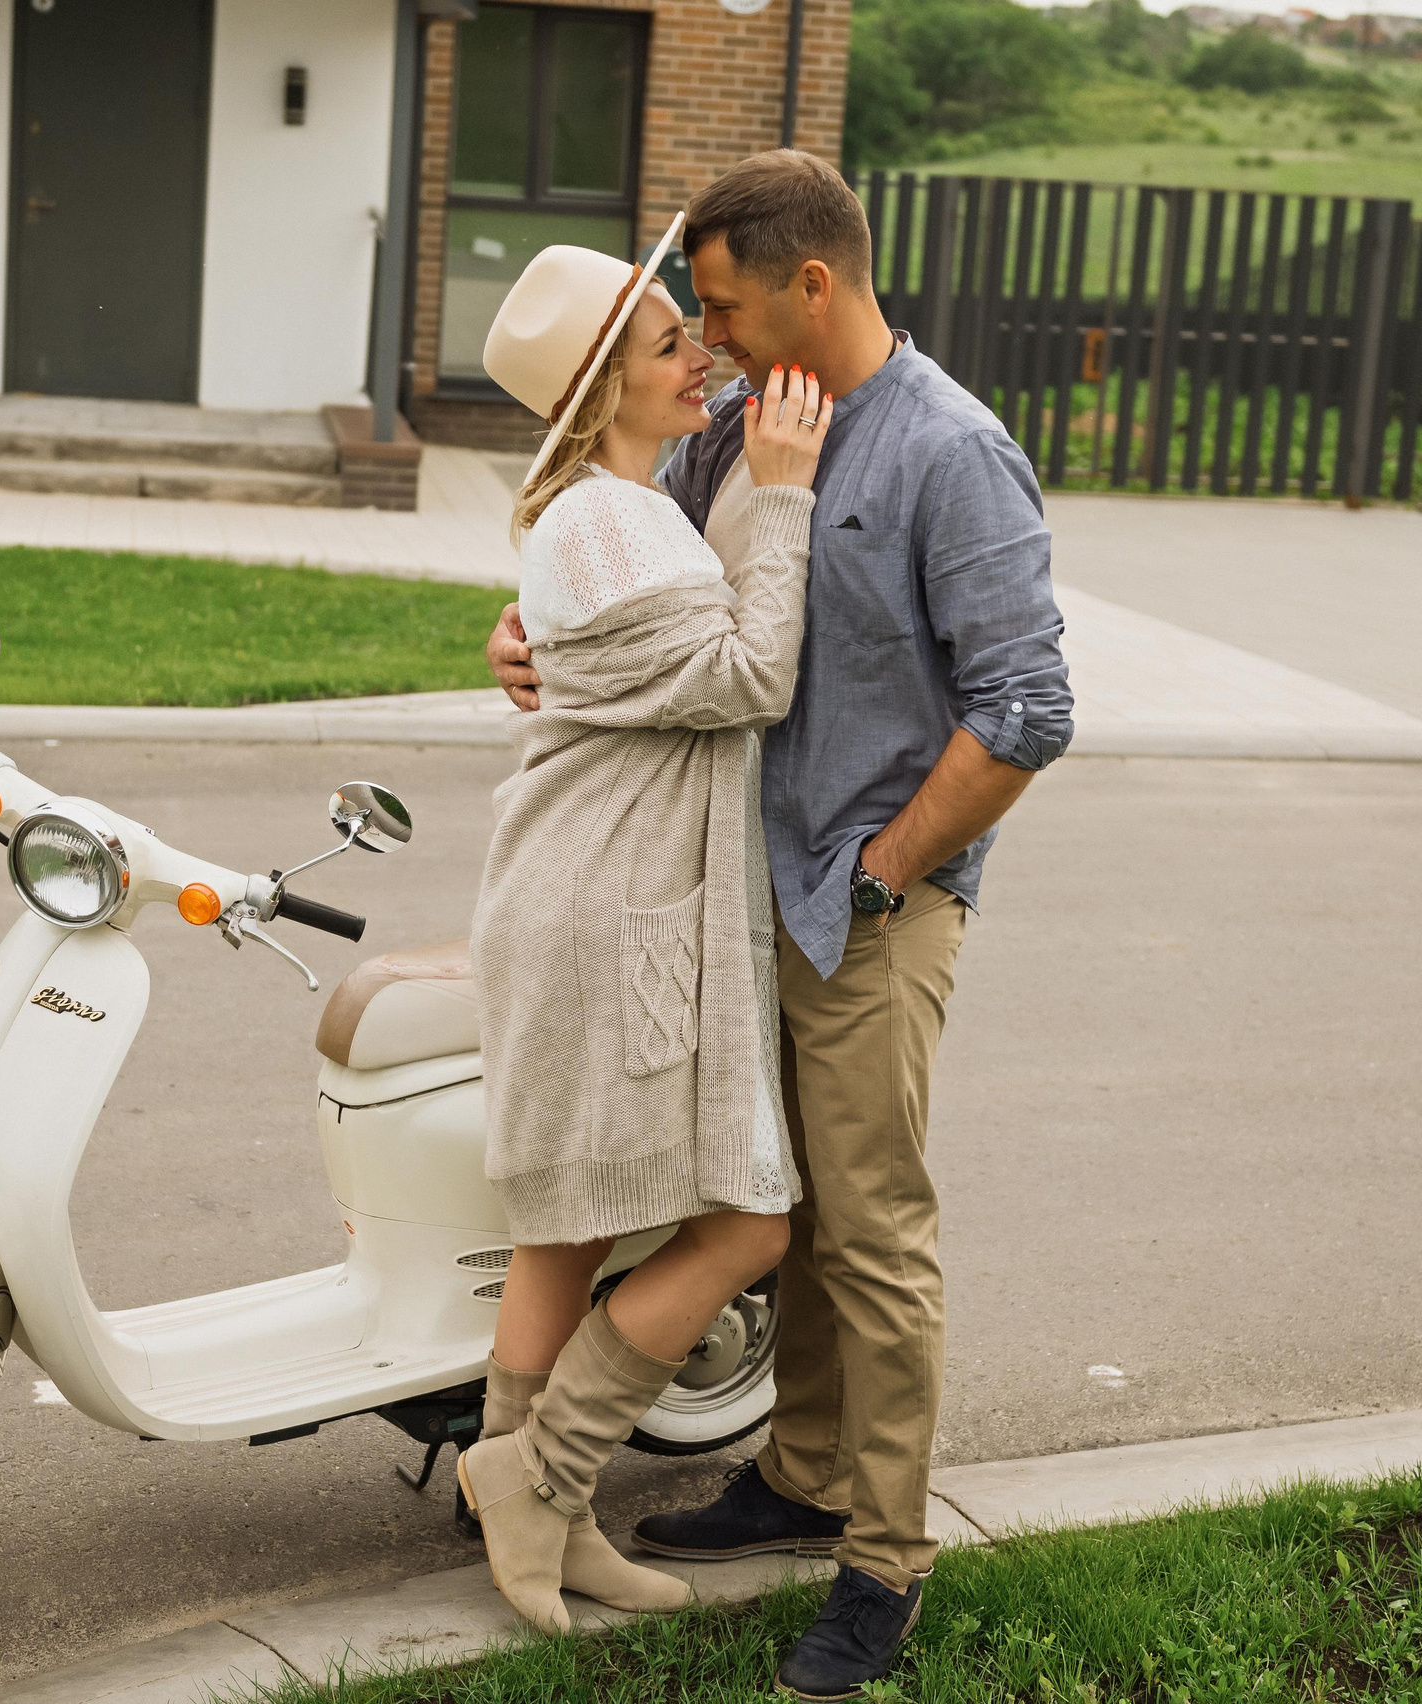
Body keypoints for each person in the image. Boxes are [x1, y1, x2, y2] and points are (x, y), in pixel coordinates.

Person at [485, 151, 1074, 1702]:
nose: (716, 340)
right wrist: (532, 634)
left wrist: (889, 867)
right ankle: (803, 1474)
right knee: (783, 1209)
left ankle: (884, 1562)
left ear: (813, 283)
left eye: (728, 308)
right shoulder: (733, 430)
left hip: (871, 903)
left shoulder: (953, 450)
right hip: (729, 899)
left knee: (870, 1234)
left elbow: (1027, 707)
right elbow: (643, 580)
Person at [456, 222, 836, 1640]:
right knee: (748, 1222)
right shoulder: (605, 521)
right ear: (601, 383)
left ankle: (539, 1520)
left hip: (593, 889)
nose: (702, 359)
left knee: (572, 1225)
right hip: (602, 905)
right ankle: (538, 1477)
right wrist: (784, 498)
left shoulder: (618, 508)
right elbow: (748, 675)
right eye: (672, 343)